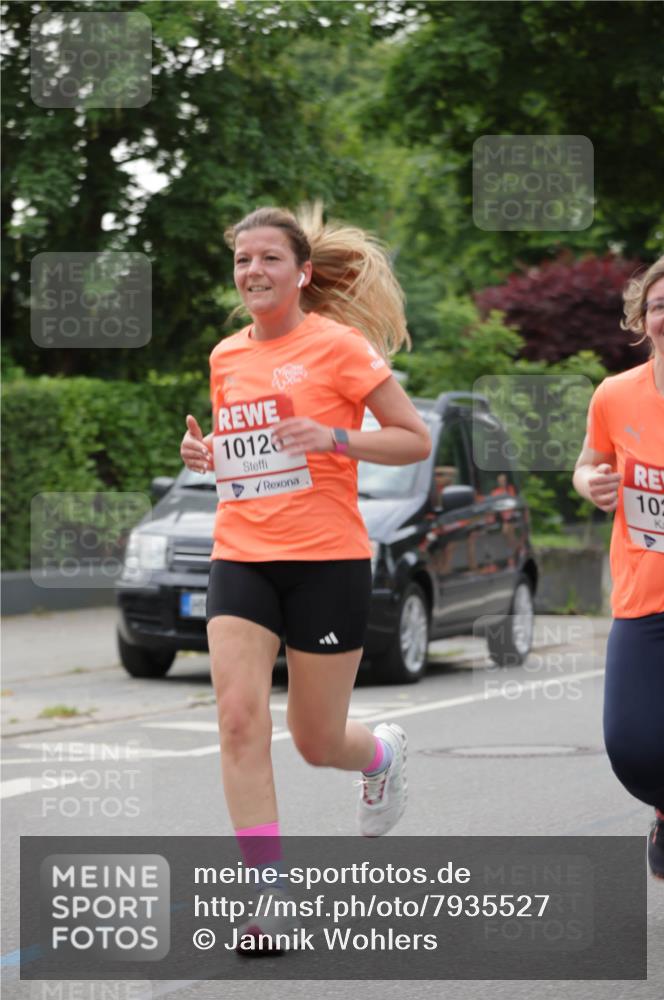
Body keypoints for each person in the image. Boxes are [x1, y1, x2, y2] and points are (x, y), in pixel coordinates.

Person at [180, 204, 432, 946]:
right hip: (242, 555)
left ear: (302, 274)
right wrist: (209, 456)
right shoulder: (226, 356)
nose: (252, 272)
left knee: (317, 740)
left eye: (268, 260)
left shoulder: (341, 347)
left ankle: (381, 755)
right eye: (242, 261)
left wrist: (335, 437)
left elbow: (412, 439)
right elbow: (247, 454)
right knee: (236, 719)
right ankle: (269, 898)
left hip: (326, 560)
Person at [572, 255, 664, 881]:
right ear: (644, 319)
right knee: (633, 747)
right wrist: (593, 484)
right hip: (644, 596)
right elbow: (587, 464)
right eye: (661, 306)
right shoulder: (615, 394)